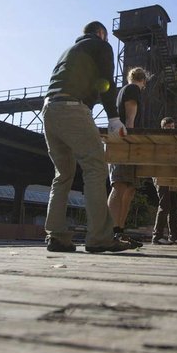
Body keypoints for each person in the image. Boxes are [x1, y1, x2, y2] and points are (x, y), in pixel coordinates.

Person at [42, 21, 139, 253]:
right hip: (73, 108)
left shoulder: (69, 51)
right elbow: (106, 82)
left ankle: (56, 236)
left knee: (63, 174)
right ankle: (100, 238)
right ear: (102, 33)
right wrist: (114, 118)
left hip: (49, 110)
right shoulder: (101, 46)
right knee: (95, 167)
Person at [107, 67, 148, 245]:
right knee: (120, 185)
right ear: (144, 81)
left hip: (126, 142)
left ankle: (119, 231)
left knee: (129, 189)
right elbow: (130, 119)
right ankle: (108, 231)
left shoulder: (125, 89)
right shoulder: (132, 89)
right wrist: (130, 139)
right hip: (124, 142)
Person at [151, 116, 177, 244]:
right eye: (167, 127)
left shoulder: (176, 141)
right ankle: (157, 236)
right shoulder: (158, 141)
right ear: (162, 128)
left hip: (173, 175)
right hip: (160, 174)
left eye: (172, 127)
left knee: (175, 205)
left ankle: (175, 236)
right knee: (165, 204)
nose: (170, 129)